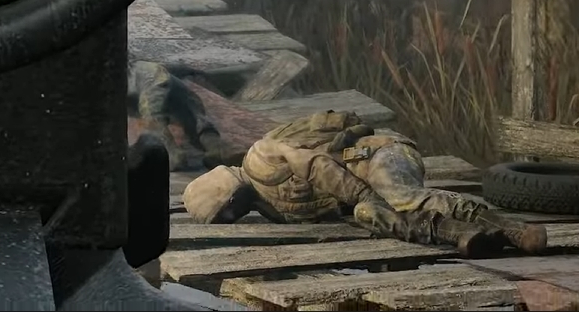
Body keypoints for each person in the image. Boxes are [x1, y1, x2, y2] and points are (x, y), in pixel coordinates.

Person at [182, 109, 547, 257]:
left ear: (229, 196)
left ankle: (510, 228)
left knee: (402, 197)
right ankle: (460, 234)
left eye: (224, 213)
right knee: (367, 214)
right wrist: (367, 205)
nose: (231, 219)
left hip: (380, 155)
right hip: (367, 180)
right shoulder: (273, 208)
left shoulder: (259, 159)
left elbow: (316, 166)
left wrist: (363, 195)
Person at [128, 60, 244, 171]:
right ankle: (218, 151)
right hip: (167, 84)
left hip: (153, 81)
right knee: (195, 119)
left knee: (153, 119)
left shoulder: (137, 72)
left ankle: (172, 156)